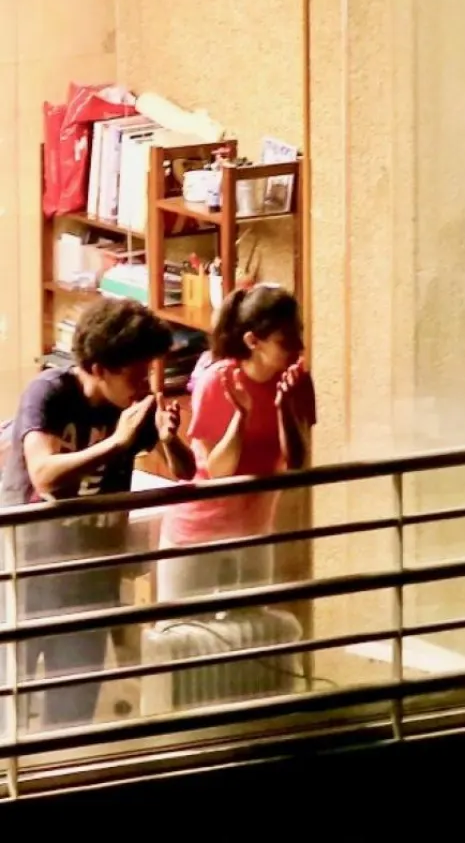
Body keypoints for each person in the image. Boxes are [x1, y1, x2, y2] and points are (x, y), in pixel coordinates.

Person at [0, 298, 195, 729]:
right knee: (9, 710)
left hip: (90, 583)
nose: (143, 385)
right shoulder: (49, 393)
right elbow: (44, 475)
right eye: (135, 374)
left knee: (73, 714)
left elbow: (186, 471)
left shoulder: (131, 407)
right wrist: (116, 443)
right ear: (99, 367)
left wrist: (169, 440)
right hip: (26, 578)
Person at [159, 284, 315, 601]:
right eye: (286, 340)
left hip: (253, 530)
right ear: (252, 341)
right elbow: (218, 473)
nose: (298, 346)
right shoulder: (218, 382)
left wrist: (285, 409)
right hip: (197, 531)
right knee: (184, 627)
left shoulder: (296, 381)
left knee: (253, 626)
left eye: (299, 333)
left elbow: (297, 465)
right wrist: (241, 417)